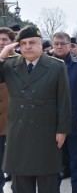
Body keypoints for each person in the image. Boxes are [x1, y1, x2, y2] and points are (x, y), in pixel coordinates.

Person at [0, 25, 71, 193]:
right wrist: (2, 55)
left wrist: (63, 129)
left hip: (46, 133)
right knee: (21, 185)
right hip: (19, 133)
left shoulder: (56, 66)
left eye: (32, 42)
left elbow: (64, 100)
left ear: (41, 44)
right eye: (23, 43)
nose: (27, 46)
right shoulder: (9, 65)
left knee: (48, 184)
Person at [52, 32, 77, 193]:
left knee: (76, 159)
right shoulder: (46, 64)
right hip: (52, 123)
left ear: (69, 45)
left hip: (75, 122)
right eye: (56, 43)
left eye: (63, 43)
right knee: (55, 161)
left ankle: (76, 188)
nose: (59, 46)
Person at [0, 27, 16, 193]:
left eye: (4, 40)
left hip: (16, 119)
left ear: (12, 42)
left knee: (16, 160)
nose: (1, 43)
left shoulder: (19, 60)